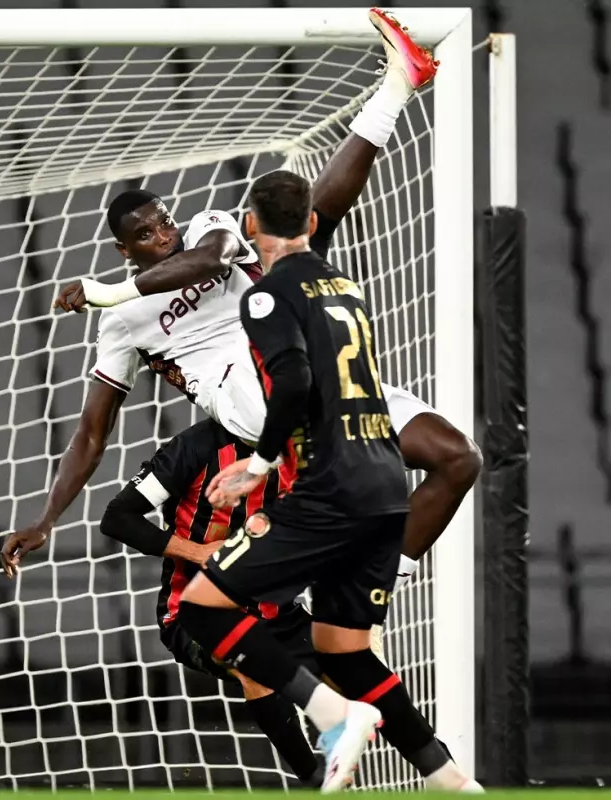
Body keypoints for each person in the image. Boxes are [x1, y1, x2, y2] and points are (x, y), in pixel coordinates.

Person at [2, 10, 480, 637]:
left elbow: (210, 259)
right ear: (125, 248)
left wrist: (106, 291)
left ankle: (378, 581)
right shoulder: (121, 325)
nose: (163, 234)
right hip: (247, 394)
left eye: (163, 220)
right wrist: (47, 518)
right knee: (302, 265)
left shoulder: (207, 230)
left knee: (457, 458)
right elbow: (92, 433)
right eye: (145, 234)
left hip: (312, 372)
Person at [173, 167, 480, 792]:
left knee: (199, 608)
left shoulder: (265, 296)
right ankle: (454, 782)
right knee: (345, 651)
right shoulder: (346, 286)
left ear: (250, 225)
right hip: (387, 486)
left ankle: (336, 716)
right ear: (312, 222)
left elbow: (293, 383)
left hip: (331, 488)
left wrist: (257, 465)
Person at [100, 416, 325, 786]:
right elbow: (118, 518)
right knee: (253, 662)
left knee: (364, 677)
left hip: (277, 612)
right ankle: (318, 782)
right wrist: (199, 552)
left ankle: (428, 768)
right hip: (193, 615)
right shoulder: (194, 447)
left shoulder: (305, 444)